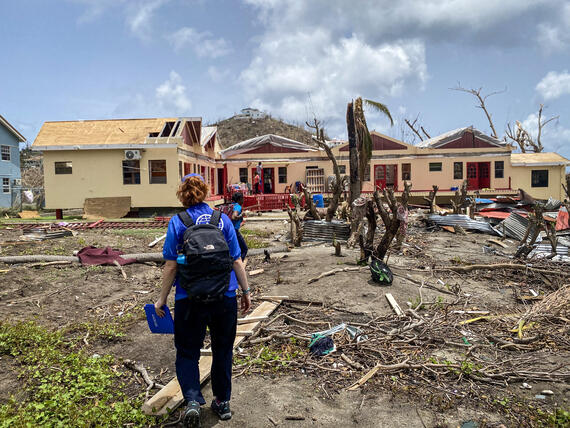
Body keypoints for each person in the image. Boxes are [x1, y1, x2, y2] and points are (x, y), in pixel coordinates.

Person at [154, 173, 251, 427]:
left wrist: (161, 299)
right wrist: (246, 291)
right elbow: (237, 260)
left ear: (182, 194)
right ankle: (222, 402)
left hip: (189, 299)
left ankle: (194, 401)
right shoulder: (223, 221)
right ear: (205, 192)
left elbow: (171, 266)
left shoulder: (178, 222)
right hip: (224, 297)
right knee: (222, 350)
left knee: (187, 352)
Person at [231, 192, 248, 261]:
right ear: (239, 199)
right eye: (242, 198)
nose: (243, 200)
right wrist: (242, 215)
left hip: (229, 230)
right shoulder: (238, 206)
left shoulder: (231, 205)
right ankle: (239, 266)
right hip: (234, 231)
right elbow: (234, 217)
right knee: (244, 249)